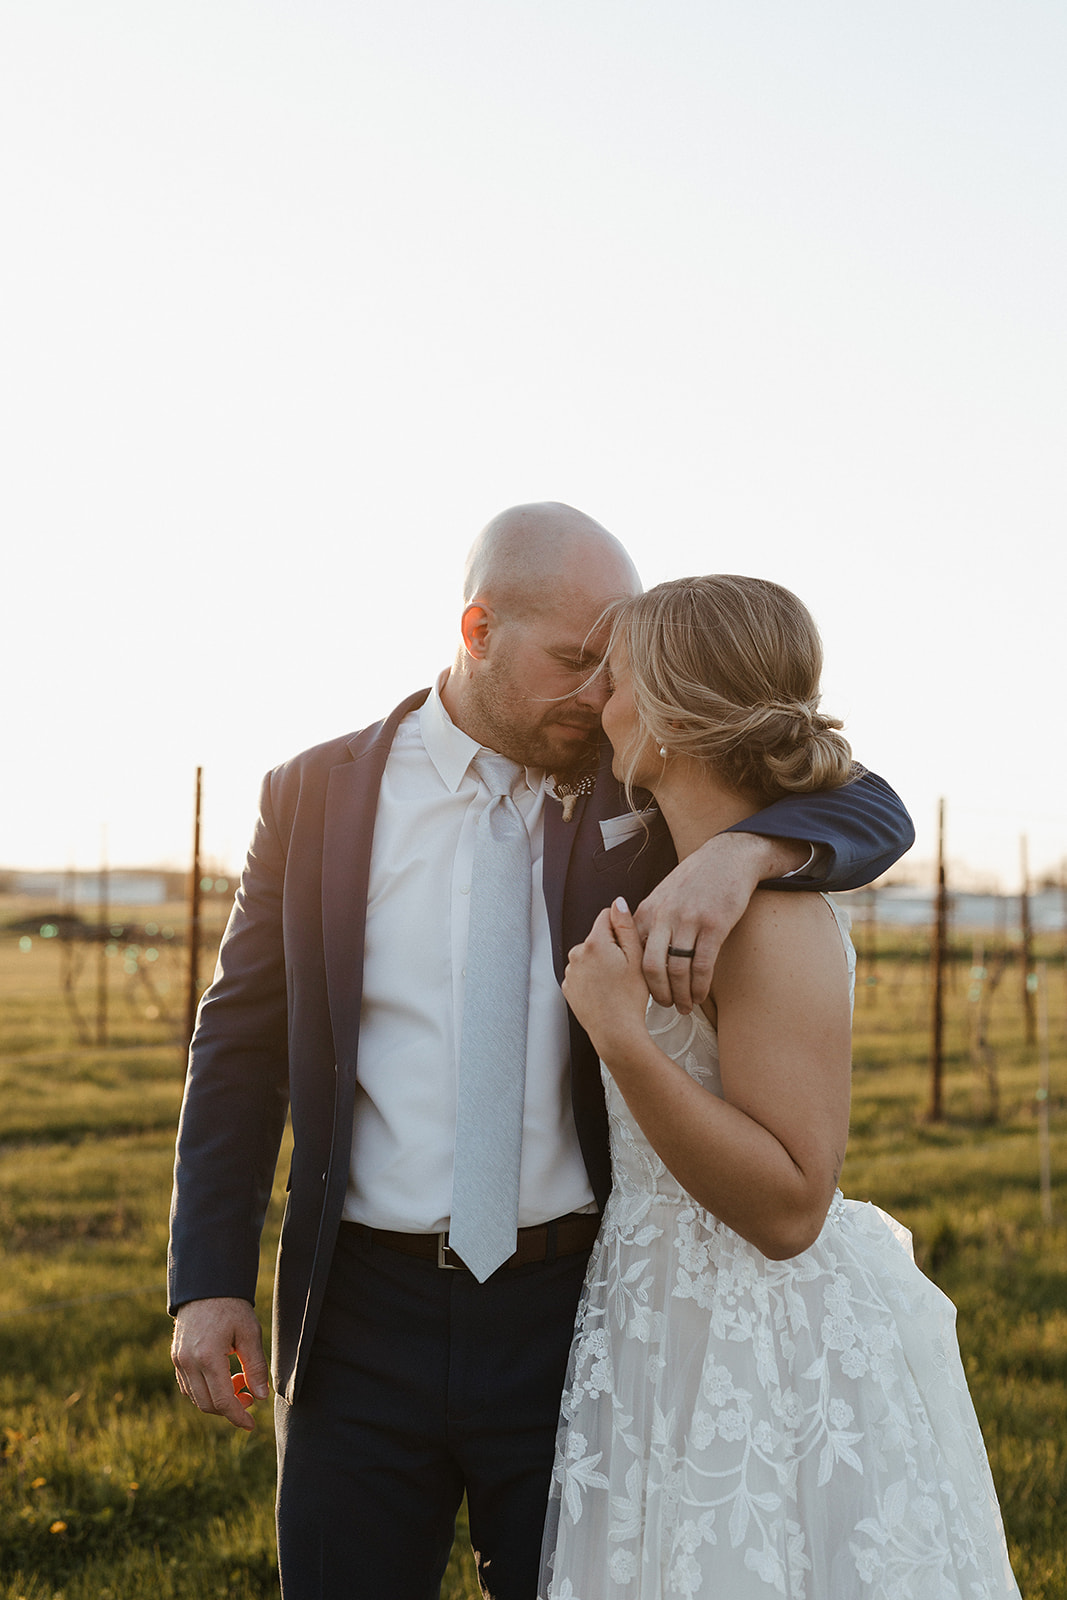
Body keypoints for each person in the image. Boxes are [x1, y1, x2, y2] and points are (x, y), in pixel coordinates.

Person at [168, 504, 914, 1600]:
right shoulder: (312, 795)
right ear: (476, 630)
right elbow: (237, 1043)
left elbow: (867, 802)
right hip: (358, 1312)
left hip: (578, 1310)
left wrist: (749, 852)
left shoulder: (635, 772)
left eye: (611, 667)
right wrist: (207, 1278)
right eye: (574, 662)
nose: (598, 694)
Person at [539, 574, 1019, 1599]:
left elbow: (792, 1203)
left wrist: (621, 1035)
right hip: (653, 1308)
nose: (594, 702)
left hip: (752, 1338)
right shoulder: (694, 869)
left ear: (666, 716)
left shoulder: (771, 916)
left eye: (612, 679)